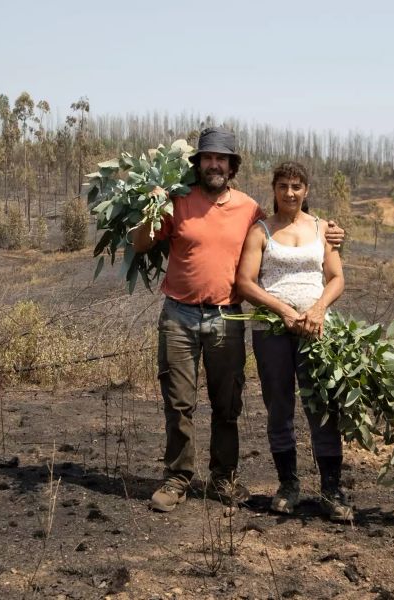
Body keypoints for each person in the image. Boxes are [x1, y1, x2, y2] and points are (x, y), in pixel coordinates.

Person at [130, 128, 344, 512]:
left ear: (231, 167)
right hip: (178, 314)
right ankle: (178, 479)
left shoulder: (250, 211)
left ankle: (223, 479)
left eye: (221, 159)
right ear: (198, 164)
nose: (214, 164)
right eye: (208, 158)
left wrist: (332, 232)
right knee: (179, 403)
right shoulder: (177, 202)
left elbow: (288, 228)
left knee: (227, 404)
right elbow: (141, 244)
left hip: (227, 317)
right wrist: (151, 208)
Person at [235, 160, 353, 522]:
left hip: (317, 330)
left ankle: (331, 491)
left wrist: (317, 310)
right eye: (283, 186)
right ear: (273, 190)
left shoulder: (323, 230)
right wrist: (283, 310)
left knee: (322, 408)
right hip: (271, 329)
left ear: (306, 191)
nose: (289, 193)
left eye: (296, 186)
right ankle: (288, 485)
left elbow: (336, 278)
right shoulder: (261, 231)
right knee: (279, 406)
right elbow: (245, 282)